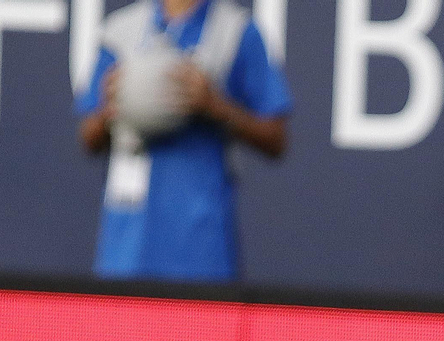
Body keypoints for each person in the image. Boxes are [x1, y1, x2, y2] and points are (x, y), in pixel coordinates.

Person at [75, 0, 291, 282]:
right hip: (127, 250)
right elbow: (89, 137)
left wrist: (215, 107)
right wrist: (114, 107)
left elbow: (275, 137)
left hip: (201, 250)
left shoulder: (237, 30)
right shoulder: (121, 31)